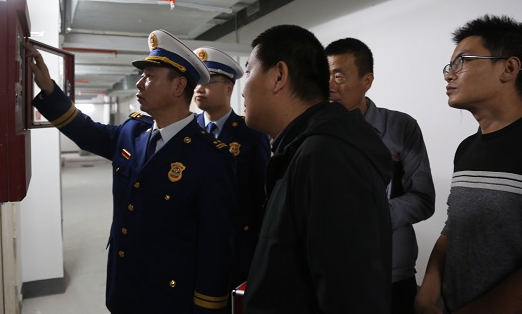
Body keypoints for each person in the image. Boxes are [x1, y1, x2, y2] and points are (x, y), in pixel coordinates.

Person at [27, 29, 239, 314]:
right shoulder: (133, 131)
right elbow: (87, 132)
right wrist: (50, 91)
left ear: (179, 86)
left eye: (149, 76)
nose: (139, 83)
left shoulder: (210, 158)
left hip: (169, 299)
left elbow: (216, 247)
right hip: (124, 286)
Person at [241, 24, 393, 313]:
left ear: (279, 76)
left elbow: (351, 297)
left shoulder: (325, 156)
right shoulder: (301, 149)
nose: (243, 87)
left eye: (249, 71)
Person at [415, 15, 522, 314]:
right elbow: (454, 227)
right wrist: (426, 295)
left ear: (508, 68)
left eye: (461, 62)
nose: (449, 75)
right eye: (449, 66)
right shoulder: (467, 149)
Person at [325, 38, 435, 314]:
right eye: (324, 76)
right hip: (330, 270)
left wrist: (369, 214)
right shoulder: (315, 132)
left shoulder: (400, 127)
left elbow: (423, 199)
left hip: (390, 272)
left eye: (338, 76)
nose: (329, 85)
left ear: (367, 81)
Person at [193, 46, 271, 289]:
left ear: (229, 88)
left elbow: (260, 194)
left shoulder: (251, 133)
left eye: (208, 82)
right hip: (193, 242)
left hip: (236, 244)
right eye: (196, 83)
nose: (199, 89)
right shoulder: (187, 132)